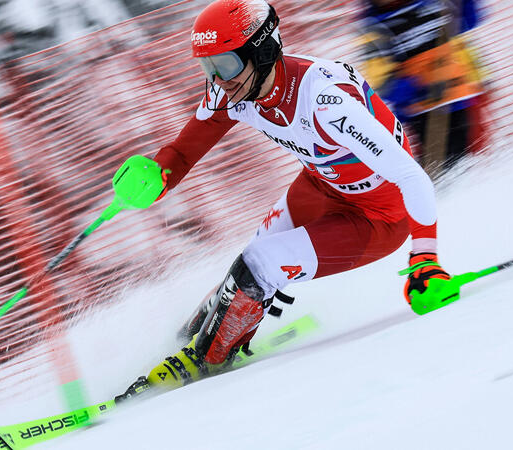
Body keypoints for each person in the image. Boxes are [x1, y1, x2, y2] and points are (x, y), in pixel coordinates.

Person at [112, 0, 454, 398]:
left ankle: (208, 360)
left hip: (377, 216)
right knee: (233, 286)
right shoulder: (237, 89)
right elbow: (183, 152)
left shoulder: (327, 101)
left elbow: (412, 177)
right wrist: (155, 178)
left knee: (259, 265)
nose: (218, 80)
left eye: (224, 65)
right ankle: (198, 341)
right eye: (208, 68)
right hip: (320, 188)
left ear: (261, 50)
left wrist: (425, 259)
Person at [359, 0, 488, 173]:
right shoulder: (374, 26)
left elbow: (468, 21)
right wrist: (419, 89)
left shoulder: (434, 3)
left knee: (470, 160)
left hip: (460, 98)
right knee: (442, 167)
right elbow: (380, 80)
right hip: (424, 113)